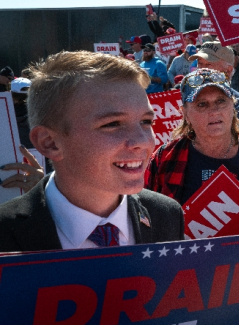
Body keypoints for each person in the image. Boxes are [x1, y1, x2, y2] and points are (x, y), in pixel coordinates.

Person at [0, 51, 184, 252]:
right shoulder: (6, 232)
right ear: (50, 143)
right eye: (112, 124)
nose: (142, 141)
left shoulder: (166, 215)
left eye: (146, 122)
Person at [144, 68, 239, 226]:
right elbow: (143, 220)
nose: (214, 111)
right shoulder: (164, 160)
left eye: (221, 101)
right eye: (202, 104)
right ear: (185, 114)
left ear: (233, 105)